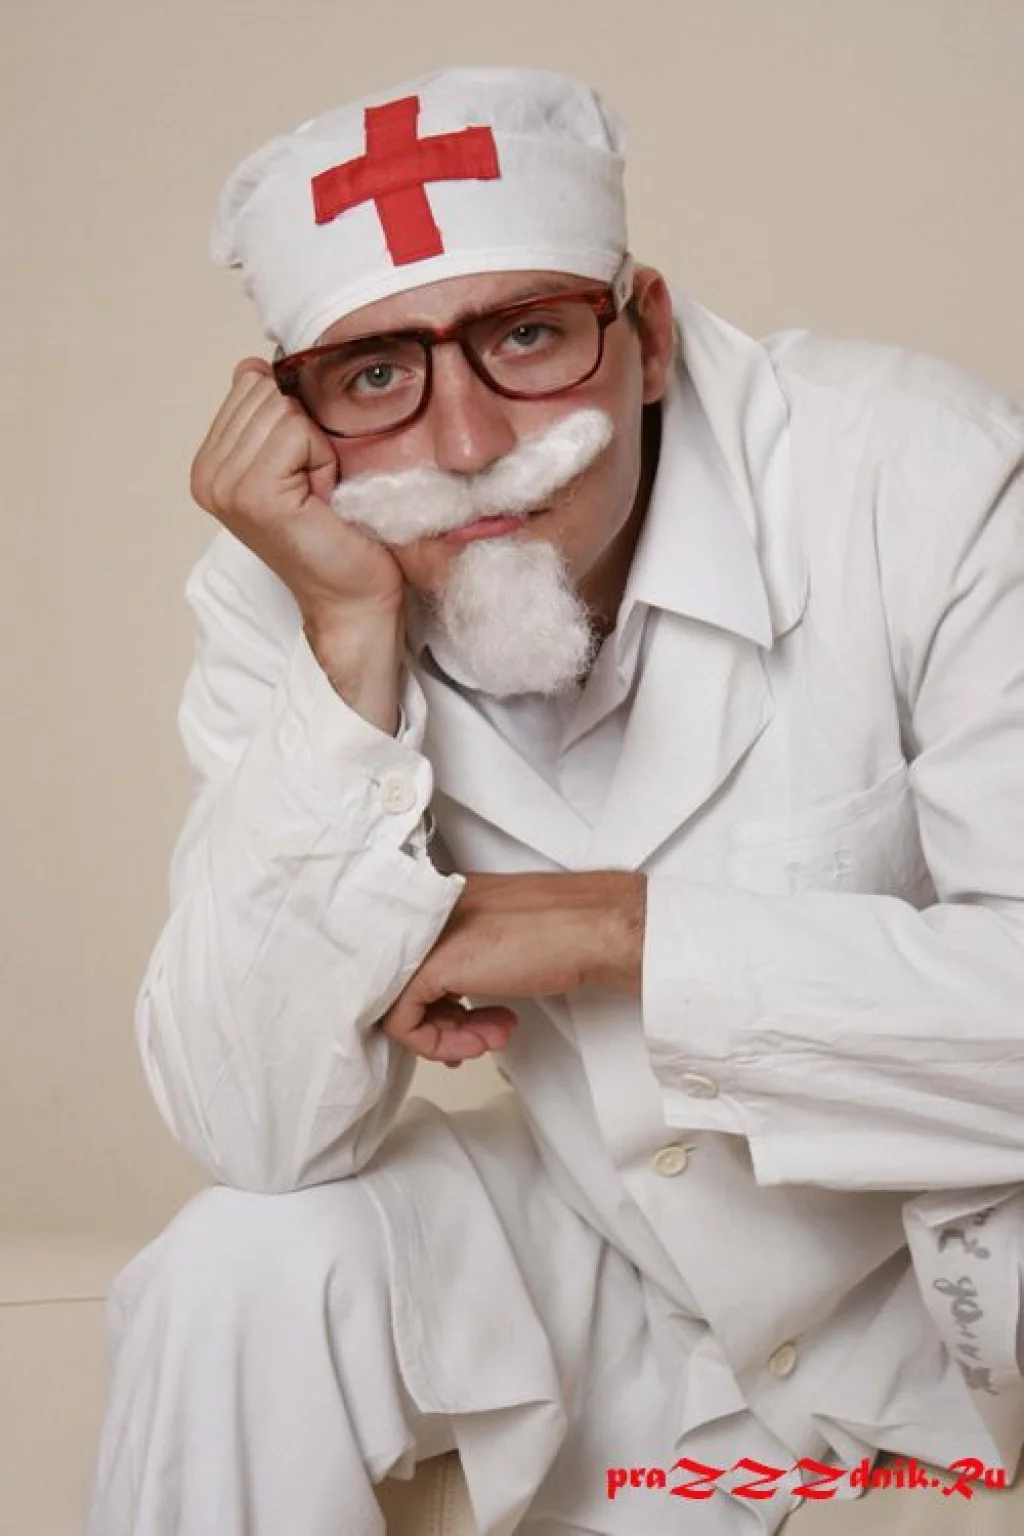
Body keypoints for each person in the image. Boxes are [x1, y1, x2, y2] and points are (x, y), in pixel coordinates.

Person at [85, 65, 1024, 1536]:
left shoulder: (914, 471)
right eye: (376, 375)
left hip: (959, 1296)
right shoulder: (288, 587)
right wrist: (349, 643)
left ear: (646, 334)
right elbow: (251, 1130)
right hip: (625, 1292)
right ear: (294, 413)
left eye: (526, 335)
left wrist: (616, 927)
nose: (469, 447)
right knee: (238, 1266)